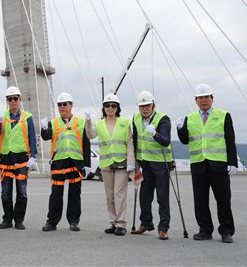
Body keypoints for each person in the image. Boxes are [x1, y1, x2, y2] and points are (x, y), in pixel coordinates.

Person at [177, 83, 237, 243]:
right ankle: (205, 230)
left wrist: (232, 162)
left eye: (206, 97)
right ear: (196, 100)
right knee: (200, 199)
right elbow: (184, 140)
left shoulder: (224, 115)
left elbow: (230, 140)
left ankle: (226, 231)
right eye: (200, 98)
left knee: (223, 199)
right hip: (198, 165)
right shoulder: (190, 118)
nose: (204, 100)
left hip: (219, 164)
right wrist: (179, 129)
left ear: (212, 98)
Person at [40, 92, 91, 232]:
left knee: (75, 194)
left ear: (71, 105)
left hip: (75, 162)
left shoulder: (81, 122)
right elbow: (46, 136)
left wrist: (87, 164)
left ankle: (74, 221)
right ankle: (52, 221)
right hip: (58, 162)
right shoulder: (54, 122)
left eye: (65, 104)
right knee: (56, 193)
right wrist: (44, 128)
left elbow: (86, 144)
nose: (62, 107)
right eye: (60, 105)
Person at [85, 93, 134, 236]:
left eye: (113, 105)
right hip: (106, 164)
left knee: (119, 193)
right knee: (110, 195)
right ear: (104, 108)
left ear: (117, 108)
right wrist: (88, 121)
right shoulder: (99, 124)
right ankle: (113, 222)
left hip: (122, 163)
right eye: (107, 105)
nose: (110, 108)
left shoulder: (125, 122)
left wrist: (131, 162)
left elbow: (130, 143)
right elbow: (90, 135)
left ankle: (121, 223)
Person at [130, 90, 172, 240]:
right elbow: (134, 139)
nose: (145, 109)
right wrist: (133, 161)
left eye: (147, 105)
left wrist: (155, 134)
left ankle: (163, 228)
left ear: (153, 105)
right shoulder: (135, 118)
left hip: (161, 164)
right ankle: (146, 223)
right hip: (144, 163)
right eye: (142, 106)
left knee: (162, 196)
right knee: (144, 195)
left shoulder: (163, 119)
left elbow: (166, 141)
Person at [0, 86, 37, 230]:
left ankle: (19, 220)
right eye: (10, 99)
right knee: (5, 193)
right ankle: (7, 219)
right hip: (6, 157)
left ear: (20, 100)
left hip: (22, 158)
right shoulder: (2, 117)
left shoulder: (27, 117)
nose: (13, 101)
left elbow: (32, 137)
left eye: (15, 98)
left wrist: (33, 156)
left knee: (22, 192)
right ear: (7, 101)